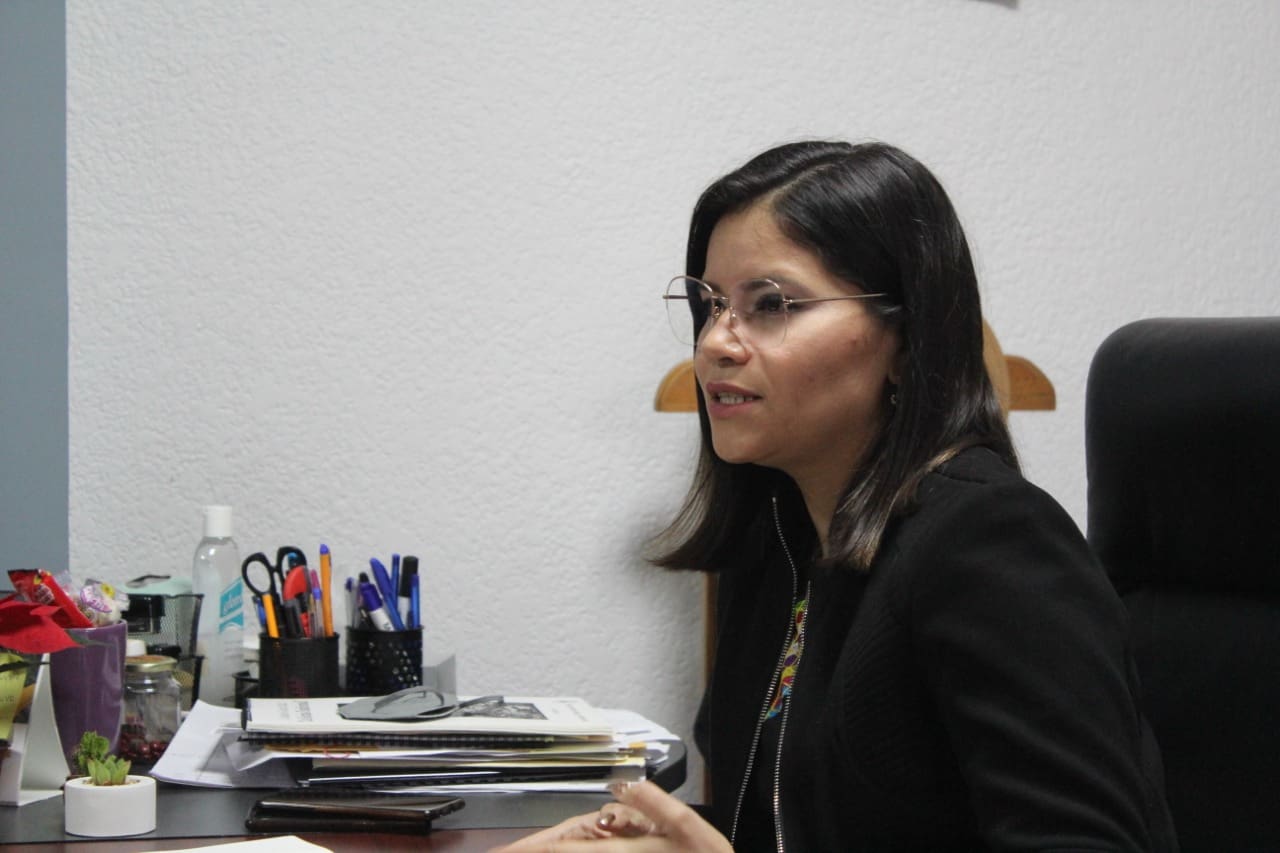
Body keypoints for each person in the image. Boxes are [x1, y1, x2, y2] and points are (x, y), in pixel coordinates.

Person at [498, 140, 1178, 851]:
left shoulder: (990, 542)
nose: (715, 343)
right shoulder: (779, 540)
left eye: (770, 304)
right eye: (709, 304)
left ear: (904, 339)